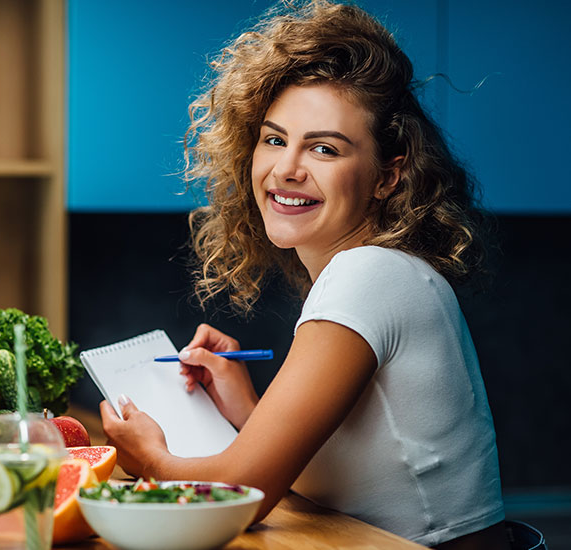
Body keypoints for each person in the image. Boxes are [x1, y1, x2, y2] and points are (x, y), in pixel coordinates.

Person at [99, 1, 510, 549]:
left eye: (323, 148)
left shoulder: (367, 275)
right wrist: (247, 409)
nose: (286, 168)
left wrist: (148, 457)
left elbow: (239, 495)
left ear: (388, 176)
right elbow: (344, 474)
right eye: (273, 139)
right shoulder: (387, 271)